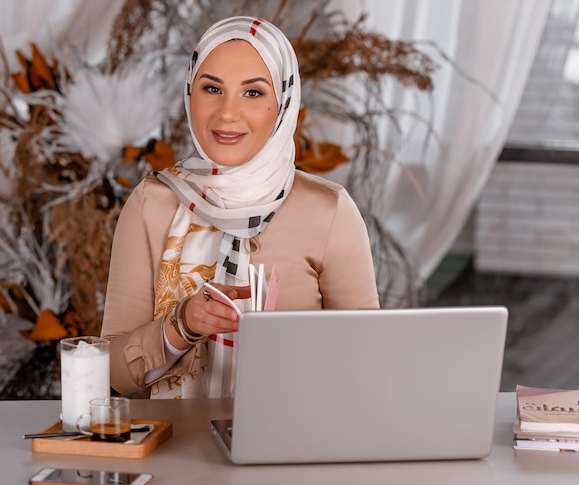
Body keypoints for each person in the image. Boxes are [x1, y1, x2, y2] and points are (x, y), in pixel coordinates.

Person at [101, 16, 379, 399]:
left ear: (282, 104)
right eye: (212, 88)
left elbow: (370, 365)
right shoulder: (153, 202)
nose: (227, 113)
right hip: (173, 451)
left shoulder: (329, 212)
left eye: (253, 93)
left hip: (291, 447)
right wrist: (181, 326)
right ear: (190, 94)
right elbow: (114, 374)